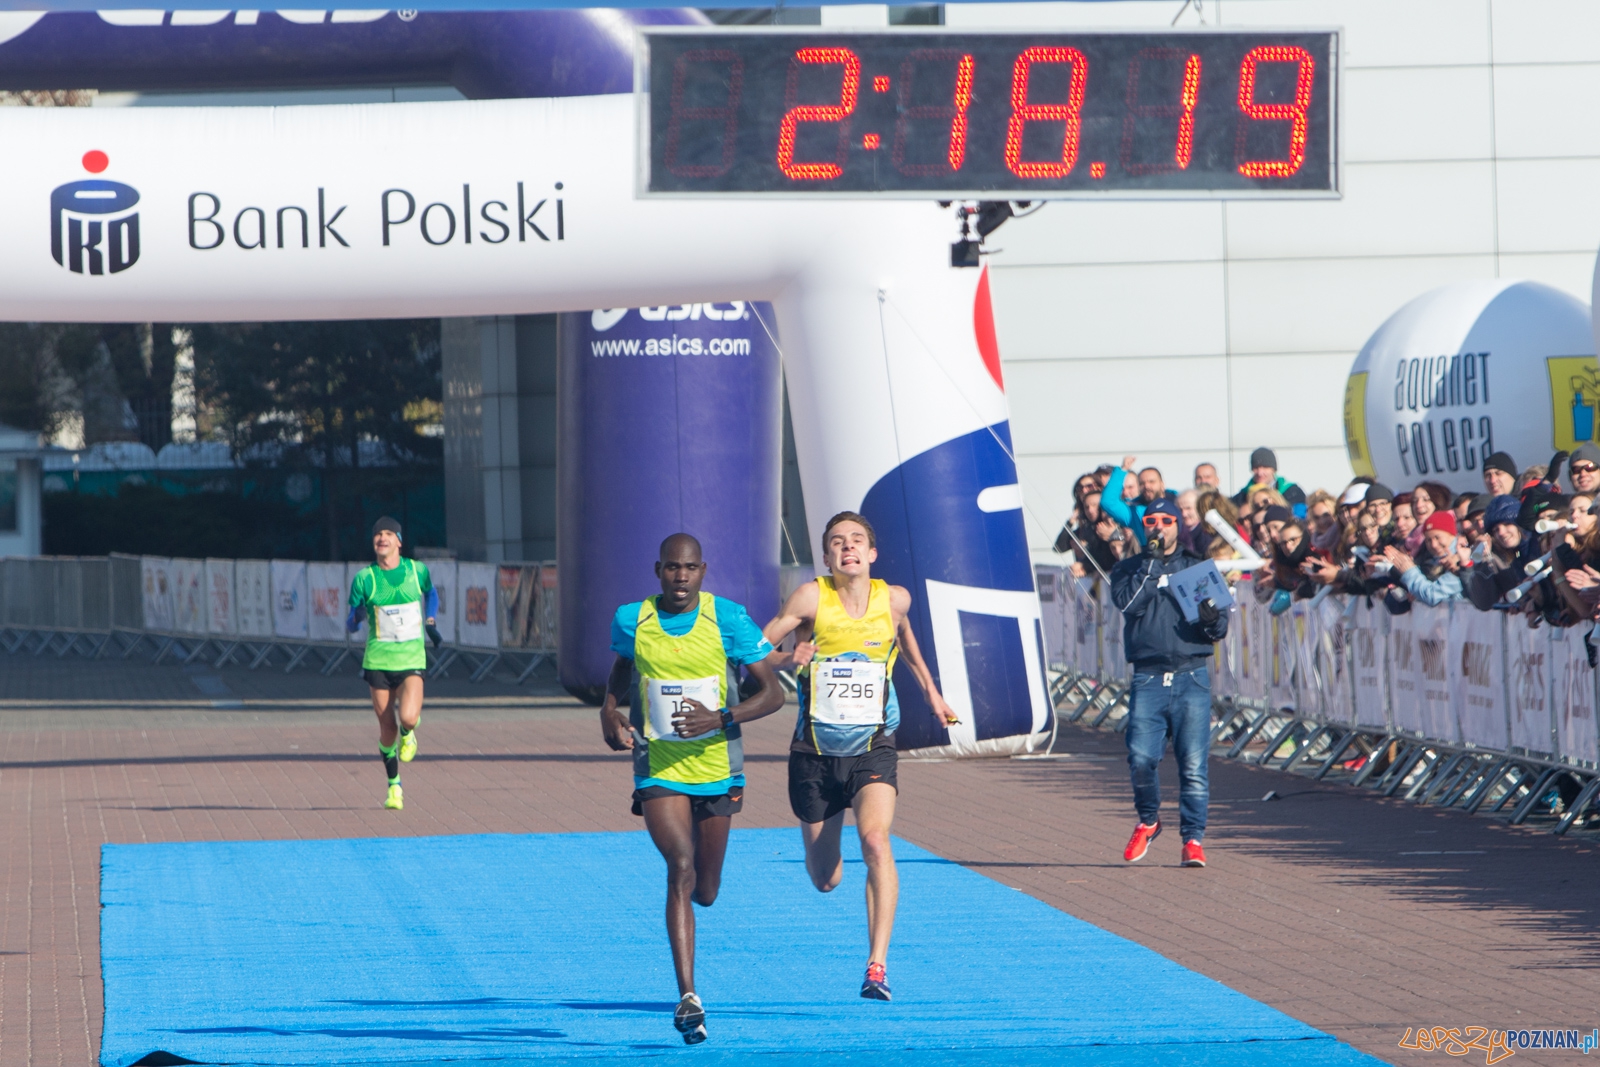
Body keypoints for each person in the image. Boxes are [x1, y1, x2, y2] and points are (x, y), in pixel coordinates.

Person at [599, 533, 786, 1045]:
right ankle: (688, 997)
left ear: (702, 570)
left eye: (690, 569)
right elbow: (621, 667)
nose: (680, 577)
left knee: (705, 889)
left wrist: (720, 717)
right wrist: (608, 710)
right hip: (657, 766)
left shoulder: (728, 618)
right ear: (657, 570)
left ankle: (701, 901)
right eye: (671, 568)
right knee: (679, 867)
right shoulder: (630, 619)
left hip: (718, 769)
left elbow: (774, 694)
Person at [763, 511, 957, 1002]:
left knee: (875, 840)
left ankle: (877, 966)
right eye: (836, 542)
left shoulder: (893, 600)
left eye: (856, 541)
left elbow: (906, 641)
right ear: (827, 557)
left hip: (874, 745)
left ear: (871, 553)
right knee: (826, 879)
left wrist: (932, 694)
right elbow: (757, 648)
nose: (846, 548)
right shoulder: (811, 598)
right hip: (815, 751)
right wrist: (788, 658)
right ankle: (821, 855)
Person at [1111, 498, 1229, 868]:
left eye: (1166, 520)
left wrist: (1211, 619)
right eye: (1151, 521)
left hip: (1191, 676)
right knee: (1141, 758)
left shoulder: (1196, 567)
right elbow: (1129, 605)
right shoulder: (1129, 568)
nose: (1158, 527)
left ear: (1179, 524)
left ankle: (1193, 839)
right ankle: (1148, 821)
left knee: (1193, 765)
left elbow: (1220, 627)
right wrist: (1150, 563)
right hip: (1148, 676)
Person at [346, 516, 441, 812]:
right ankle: (394, 786)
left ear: (399, 541)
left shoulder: (416, 570)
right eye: (377, 535)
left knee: (408, 718)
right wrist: (357, 617)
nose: (382, 538)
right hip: (378, 661)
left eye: (388, 534)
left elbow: (431, 593)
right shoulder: (365, 579)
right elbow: (350, 623)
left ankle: (409, 733)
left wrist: (431, 619)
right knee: (387, 728)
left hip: (412, 658)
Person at [1383, 513, 1464, 605]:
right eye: (1428, 540)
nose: (1433, 544)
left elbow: (1432, 595)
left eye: (1438, 537)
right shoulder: (1429, 563)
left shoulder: (1460, 561)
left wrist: (1409, 571)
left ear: (1452, 535)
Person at [1232, 447, 1306, 518]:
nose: (1260, 473)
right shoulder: (1240, 498)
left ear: (1273, 469)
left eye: (1265, 467)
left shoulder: (1293, 493)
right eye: (1256, 468)